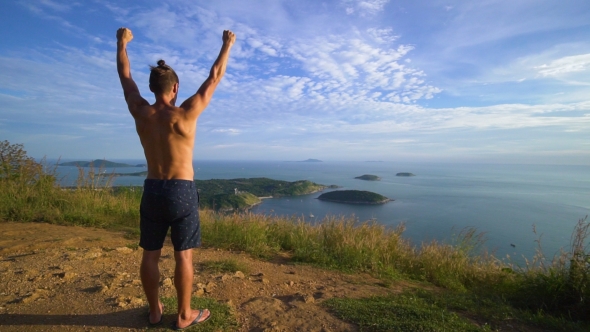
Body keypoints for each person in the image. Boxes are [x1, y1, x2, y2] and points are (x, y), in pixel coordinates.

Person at [116, 27, 235, 330]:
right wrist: (226, 44)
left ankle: (155, 311)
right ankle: (184, 315)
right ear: (176, 88)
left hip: (153, 189)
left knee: (151, 254)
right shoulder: (186, 114)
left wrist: (122, 43)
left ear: (152, 88)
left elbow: (125, 78)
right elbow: (215, 76)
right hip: (181, 191)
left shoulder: (140, 111)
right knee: (184, 256)